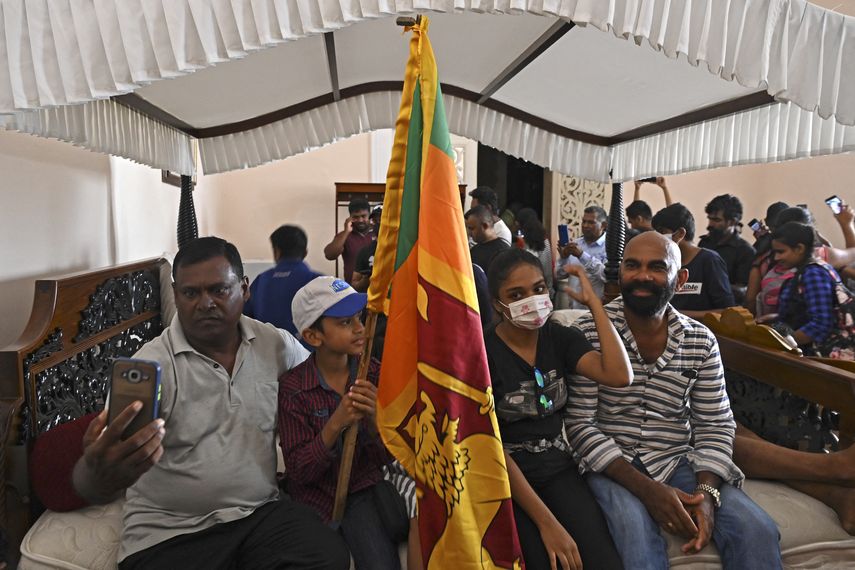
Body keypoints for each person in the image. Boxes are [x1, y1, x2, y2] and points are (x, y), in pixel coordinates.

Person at [72, 237, 349, 569]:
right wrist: (95, 470)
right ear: (175, 295)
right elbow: (98, 481)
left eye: (219, 290)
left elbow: (325, 381)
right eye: (191, 293)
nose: (205, 303)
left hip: (258, 515)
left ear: (244, 289)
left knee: (327, 553)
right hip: (169, 533)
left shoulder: (275, 345)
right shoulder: (151, 366)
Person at [565, 232, 782, 570]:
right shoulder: (589, 332)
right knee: (633, 533)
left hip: (676, 459)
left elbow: (715, 423)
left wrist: (707, 496)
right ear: (620, 273)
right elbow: (580, 425)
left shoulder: (700, 341)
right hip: (611, 464)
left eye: (657, 267)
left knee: (758, 530)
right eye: (632, 266)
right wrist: (648, 490)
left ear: (680, 279)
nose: (642, 276)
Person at [485, 248, 631, 569]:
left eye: (538, 288)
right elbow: (491, 446)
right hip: (507, 476)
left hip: (559, 468)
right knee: (544, 560)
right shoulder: (484, 354)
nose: (532, 299)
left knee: (603, 560)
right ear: (498, 304)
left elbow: (619, 374)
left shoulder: (560, 337)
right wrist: (547, 522)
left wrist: (594, 304)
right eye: (516, 294)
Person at [278, 276, 410, 570]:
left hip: (363, 491)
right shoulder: (294, 388)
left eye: (359, 318)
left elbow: (387, 458)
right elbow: (299, 471)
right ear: (313, 336)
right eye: (345, 322)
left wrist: (377, 420)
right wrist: (335, 425)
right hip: (315, 500)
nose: (360, 328)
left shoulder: (373, 374)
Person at [764, 222, 854, 359]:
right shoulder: (810, 270)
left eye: (781, 252)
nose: (776, 258)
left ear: (799, 248)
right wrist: (775, 320)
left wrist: (785, 342)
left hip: (820, 357)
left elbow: (820, 324)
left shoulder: (813, 273)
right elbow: (802, 313)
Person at [652, 203, 735, 319]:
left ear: (680, 234)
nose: (657, 237)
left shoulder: (709, 260)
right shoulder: (666, 262)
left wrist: (675, 315)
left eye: (662, 231)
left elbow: (726, 311)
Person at [243, 224, 321, 339]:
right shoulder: (319, 281)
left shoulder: (261, 281)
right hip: (310, 353)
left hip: (266, 352)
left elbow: (245, 318)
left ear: (277, 252)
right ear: (305, 252)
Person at [698, 194, 756, 303]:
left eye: (716, 220)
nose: (710, 224)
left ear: (732, 222)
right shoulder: (704, 243)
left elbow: (743, 290)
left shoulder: (745, 251)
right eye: (709, 219)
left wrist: (713, 284)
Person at [557, 206, 608, 309]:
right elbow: (559, 275)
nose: (585, 225)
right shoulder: (575, 244)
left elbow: (607, 276)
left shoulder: (610, 247)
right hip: (573, 309)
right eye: (583, 221)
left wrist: (582, 256)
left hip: (596, 311)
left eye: (591, 222)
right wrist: (564, 258)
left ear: (603, 225)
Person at [324, 198, 375, 284]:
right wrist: (346, 231)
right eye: (355, 217)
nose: (360, 220)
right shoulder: (345, 236)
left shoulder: (378, 233)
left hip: (376, 288)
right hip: (352, 289)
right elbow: (329, 255)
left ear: (370, 215)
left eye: (363, 216)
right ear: (350, 217)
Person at [515, 207, 555, 298]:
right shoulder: (542, 241)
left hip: (537, 289)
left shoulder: (542, 241)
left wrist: (548, 290)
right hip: (539, 288)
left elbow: (546, 268)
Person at [466, 205, 510, 274]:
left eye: (472, 228)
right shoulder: (474, 250)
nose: (469, 233)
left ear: (485, 226)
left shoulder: (503, 252)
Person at [351, 206, 383, 293]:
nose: (379, 223)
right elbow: (355, 286)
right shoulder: (364, 252)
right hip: (372, 302)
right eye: (375, 221)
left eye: (382, 219)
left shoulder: (400, 249)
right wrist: (366, 279)